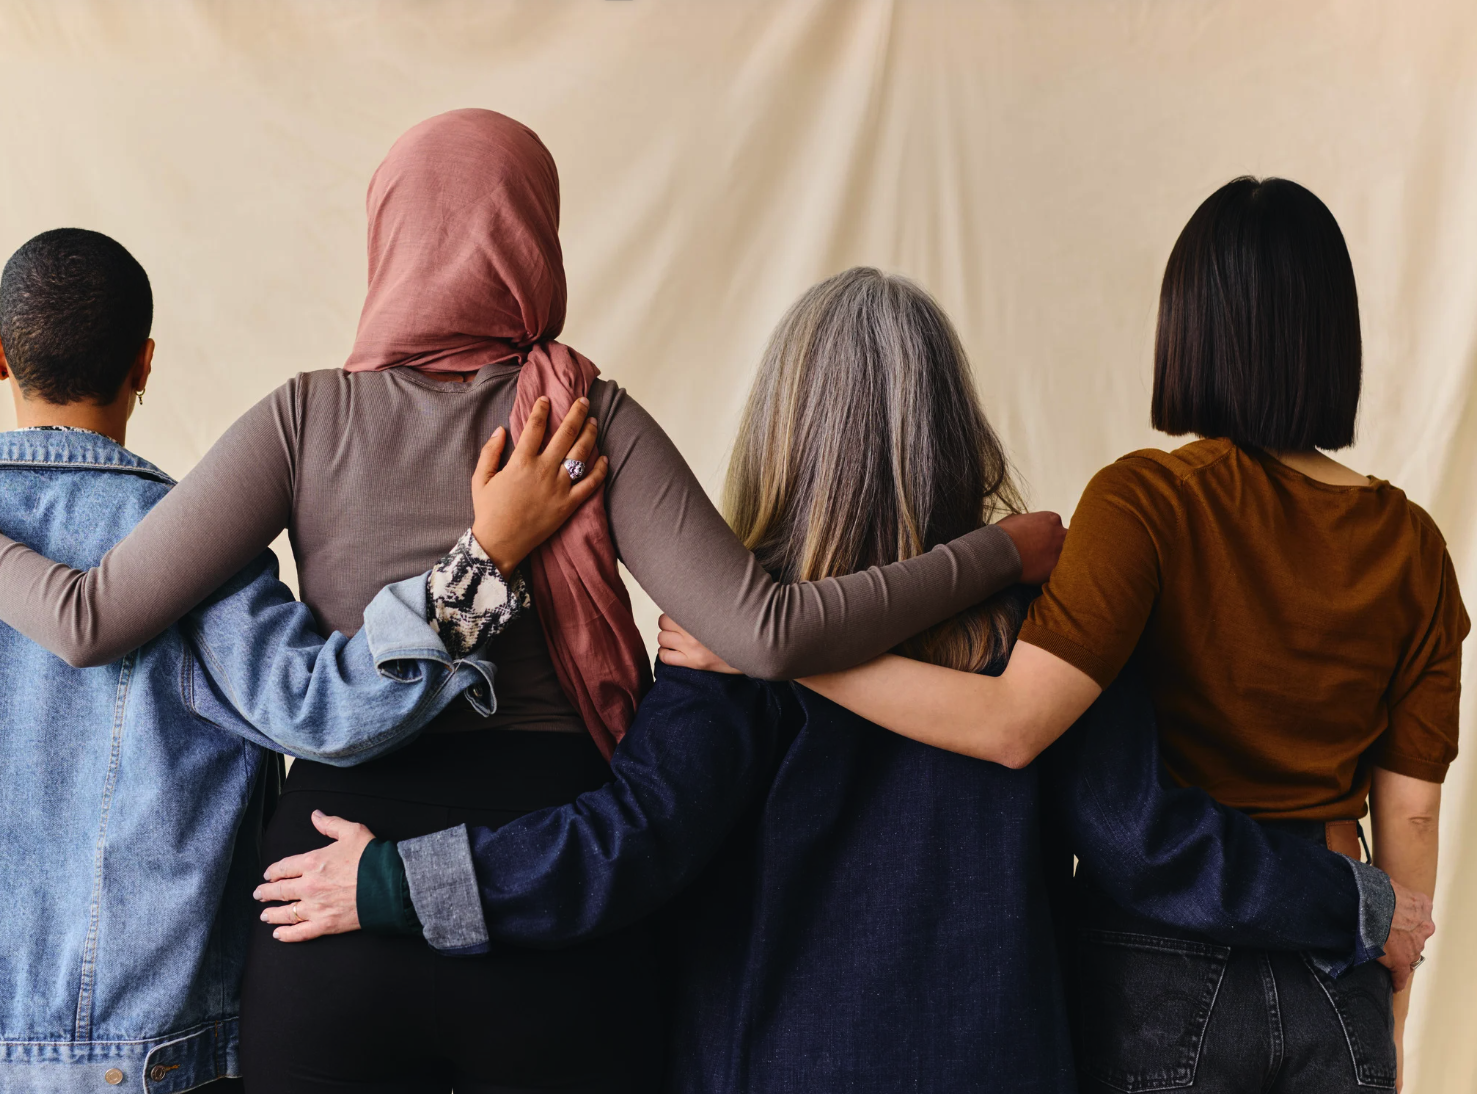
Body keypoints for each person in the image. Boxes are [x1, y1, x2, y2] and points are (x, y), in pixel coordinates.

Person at [0, 113, 1069, 1093]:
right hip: (552, 919)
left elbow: (86, 615)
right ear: (536, 238)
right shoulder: (585, 417)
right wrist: (995, 552)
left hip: (322, 909)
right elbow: (765, 630)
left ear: (386, 238)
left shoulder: (302, 415)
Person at [257, 268, 1417, 1093]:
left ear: (783, 427)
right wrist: (1356, 906)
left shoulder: (724, 648)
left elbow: (622, 848)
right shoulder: (1046, 630)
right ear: (956, 430)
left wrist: (401, 883)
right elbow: (1146, 841)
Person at [0, 228, 596, 1094]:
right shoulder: (193, 557)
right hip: (146, 1067)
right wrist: (479, 564)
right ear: (146, 364)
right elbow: (328, 710)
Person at [702, 180, 1458, 1092]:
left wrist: (774, 643)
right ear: (1340, 338)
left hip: (1161, 962)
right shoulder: (1413, 543)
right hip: (1336, 944)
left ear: (1189, 326)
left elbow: (1015, 724)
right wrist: (1394, 966)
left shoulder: (1145, 503)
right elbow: (1410, 809)